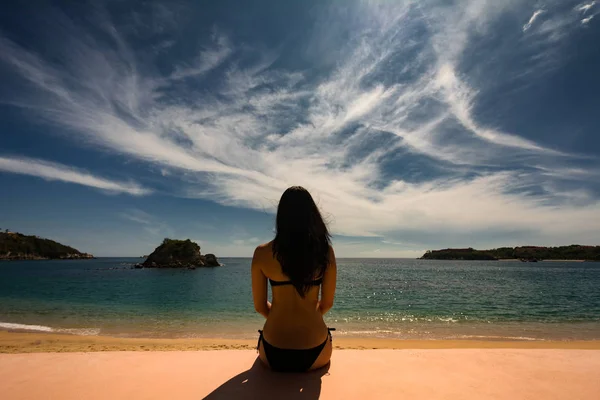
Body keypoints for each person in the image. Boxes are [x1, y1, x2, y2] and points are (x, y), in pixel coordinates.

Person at [251, 186, 337, 372]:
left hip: (272, 352)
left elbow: (259, 306)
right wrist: (307, 317)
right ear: (313, 216)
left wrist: (280, 316)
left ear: (281, 216)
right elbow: (327, 304)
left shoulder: (262, 253)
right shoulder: (325, 252)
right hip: (316, 351)